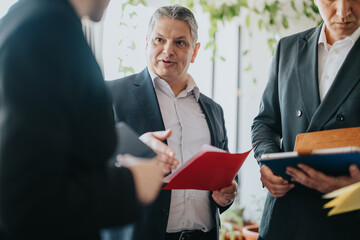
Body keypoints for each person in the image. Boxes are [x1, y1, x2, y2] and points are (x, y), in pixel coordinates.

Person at [0, 0, 165, 239]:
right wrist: (130, 184)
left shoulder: (26, 16)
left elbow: (52, 146)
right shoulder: (46, 29)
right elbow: (25, 199)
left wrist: (128, 151)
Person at [106, 5, 238, 240]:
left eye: (180, 42)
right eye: (159, 40)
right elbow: (87, 166)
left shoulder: (213, 110)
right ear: (147, 42)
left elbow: (224, 173)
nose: (168, 50)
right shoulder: (112, 96)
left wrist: (228, 192)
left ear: (194, 51)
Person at [251, 0, 360, 239]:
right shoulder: (286, 48)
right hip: (285, 218)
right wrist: (267, 162)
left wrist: (356, 190)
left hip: (349, 221)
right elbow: (264, 124)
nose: (343, 11)